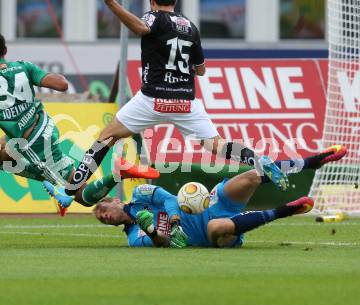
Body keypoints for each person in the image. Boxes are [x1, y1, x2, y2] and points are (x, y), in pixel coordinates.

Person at [62, 0, 289, 203]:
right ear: (176, 2)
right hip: (185, 102)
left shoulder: (154, 17)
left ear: (152, 2)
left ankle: (73, 185)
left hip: (153, 99)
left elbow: (142, 28)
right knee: (217, 146)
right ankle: (257, 159)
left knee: (107, 137)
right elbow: (201, 70)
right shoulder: (191, 26)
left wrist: (111, 4)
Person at [0, 28, 158, 215]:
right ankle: (50, 178)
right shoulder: (23, 66)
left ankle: (118, 173)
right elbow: (62, 85)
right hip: (42, 125)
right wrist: (50, 78)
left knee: (79, 194)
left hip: (33, 142)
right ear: (5, 49)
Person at [93, 145, 347, 248]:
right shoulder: (134, 238)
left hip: (211, 202)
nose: (105, 216)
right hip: (211, 234)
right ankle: (288, 210)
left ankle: (313, 161)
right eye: (103, 220)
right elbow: (163, 244)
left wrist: (173, 219)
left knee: (250, 176)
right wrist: (149, 229)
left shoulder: (139, 194)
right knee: (218, 225)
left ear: (115, 200)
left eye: (103, 210)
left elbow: (169, 199)